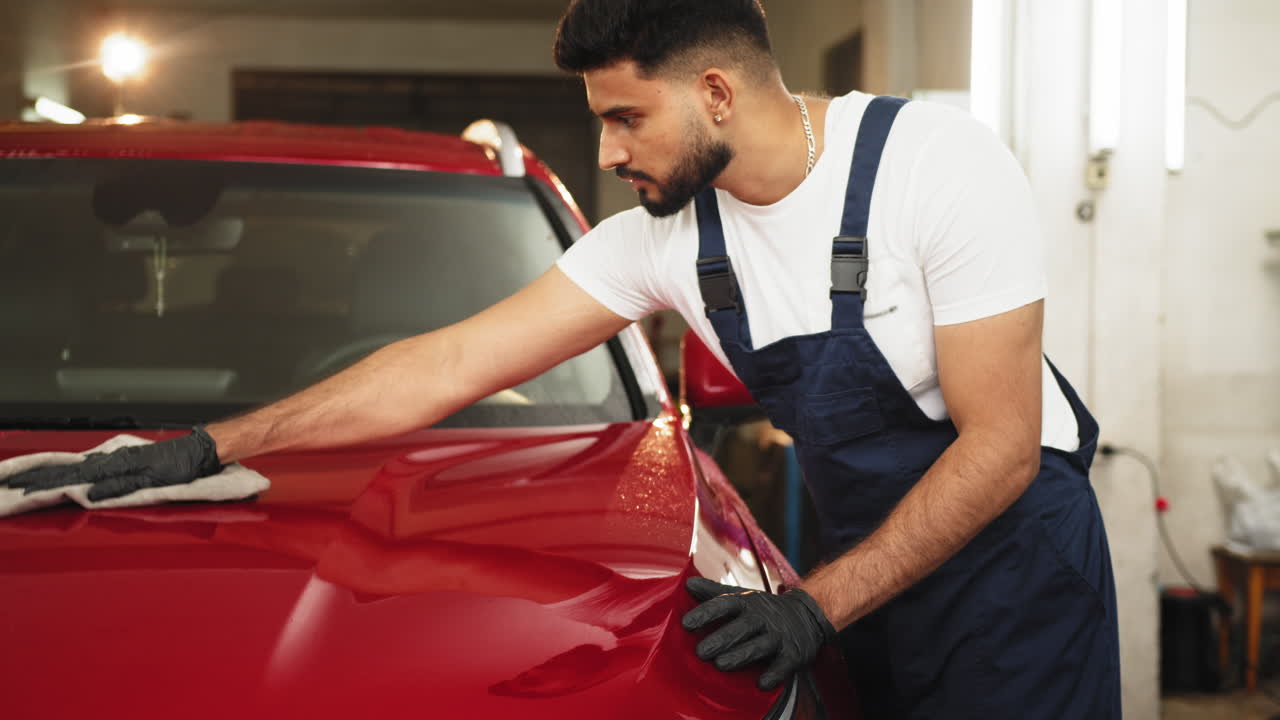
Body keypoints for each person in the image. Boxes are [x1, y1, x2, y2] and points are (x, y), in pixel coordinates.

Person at [2, 1, 1120, 716]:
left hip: (1009, 570)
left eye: (626, 118)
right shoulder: (665, 242)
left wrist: (815, 610)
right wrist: (198, 447)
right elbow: (439, 366)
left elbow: (1001, 448)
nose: (607, 150)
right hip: (858, 566)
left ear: (716, 93)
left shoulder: (935, 167)